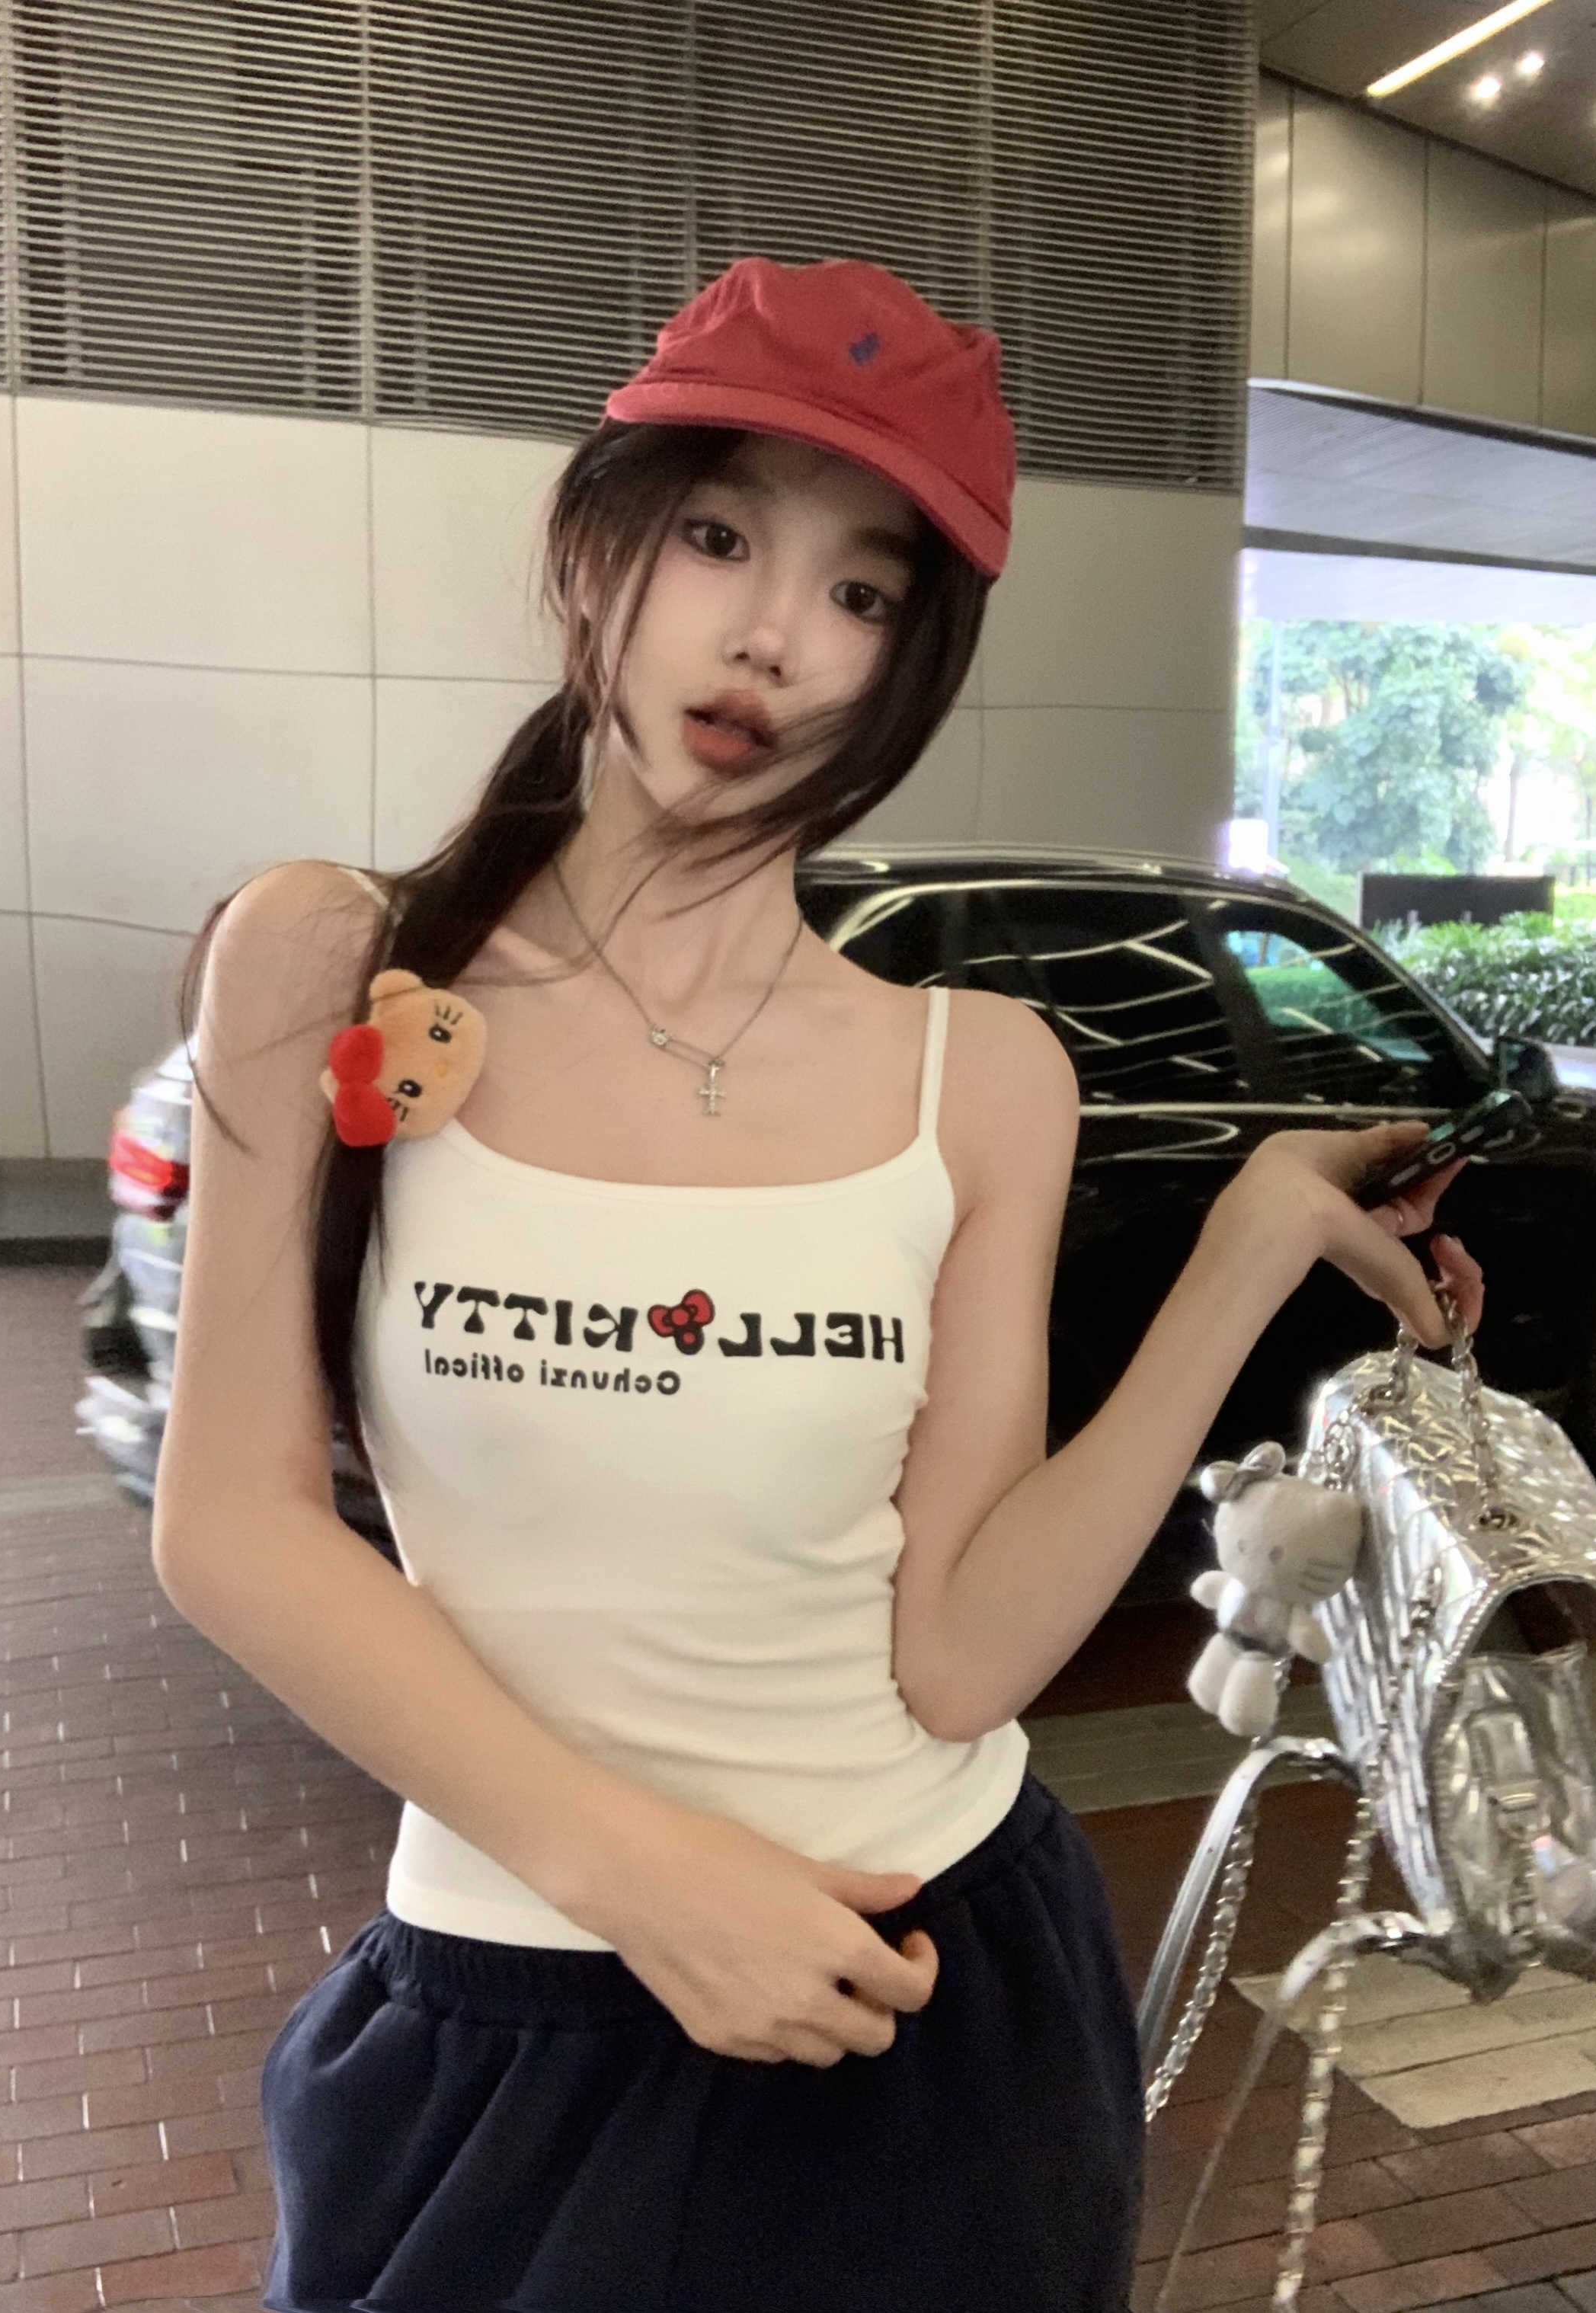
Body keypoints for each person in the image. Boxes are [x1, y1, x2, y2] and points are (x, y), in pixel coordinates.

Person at [154, 254, 1483, 2313]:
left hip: (930, 2007)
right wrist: (642, 1874)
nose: (773, 632)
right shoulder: (325, 959)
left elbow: (957, 1657)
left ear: (908, 663)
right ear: (591, 546)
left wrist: (1240, 1253)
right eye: (716, 537)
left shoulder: (981, 1074)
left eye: (861, 591)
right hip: (509, 2008)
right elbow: (234, 1522)